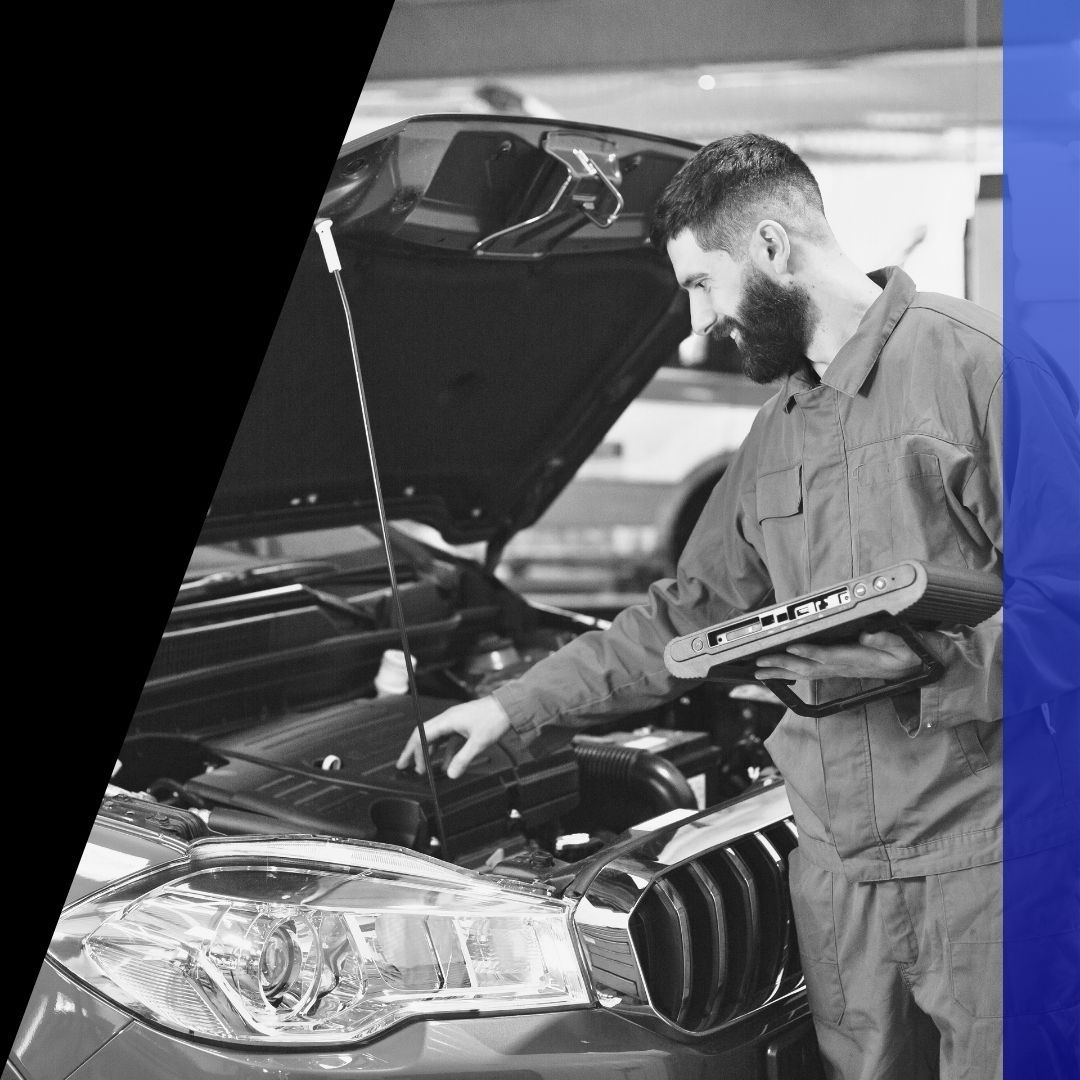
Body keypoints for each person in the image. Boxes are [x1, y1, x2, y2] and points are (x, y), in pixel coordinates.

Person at [397, 134, 1080, 1080]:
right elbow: (680, 618)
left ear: (770, 247)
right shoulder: (773, 437)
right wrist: (513, 705)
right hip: (837, 874)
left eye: (701, 284)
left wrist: (929, 666)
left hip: (988, 856)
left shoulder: (981, 369)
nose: (697, 320)